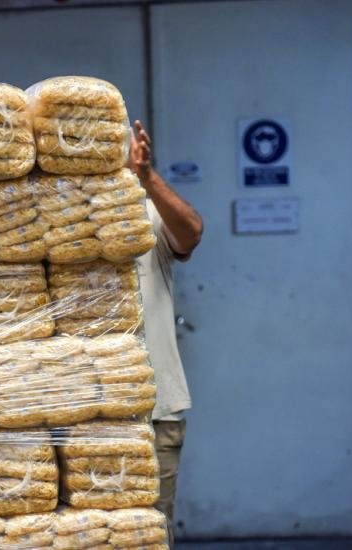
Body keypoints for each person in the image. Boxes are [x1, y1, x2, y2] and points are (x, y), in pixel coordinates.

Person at [127, 120, 204, 543]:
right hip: (79, 415)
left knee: (149, 535)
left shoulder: (144, 209)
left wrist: (147, 177)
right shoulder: (56, 215)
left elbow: (191, 232)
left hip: (154, 415)